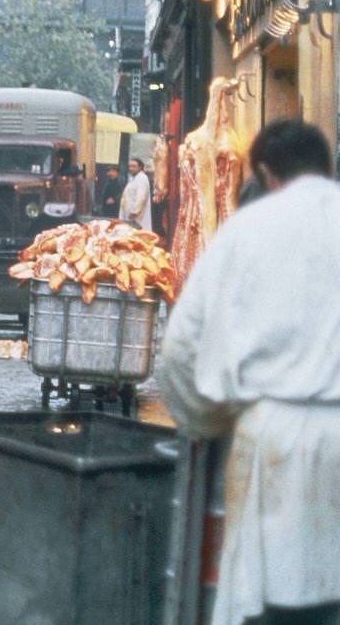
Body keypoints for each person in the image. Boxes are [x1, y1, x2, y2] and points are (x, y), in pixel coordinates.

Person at [158, 120, 340, 625]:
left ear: (262, 172)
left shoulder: (246, 230)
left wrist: (207, 423)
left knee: (273, 598)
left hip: (273, 442)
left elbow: (180, 348)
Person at [119, 157, 152, 230]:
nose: (131, 168)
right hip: (129, 216)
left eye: (134, 166)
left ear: (140, 167)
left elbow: (141, 197)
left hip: (136, 218)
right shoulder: (133, 179)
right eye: (130, 166)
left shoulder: (142, 178)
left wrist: (135, 212)